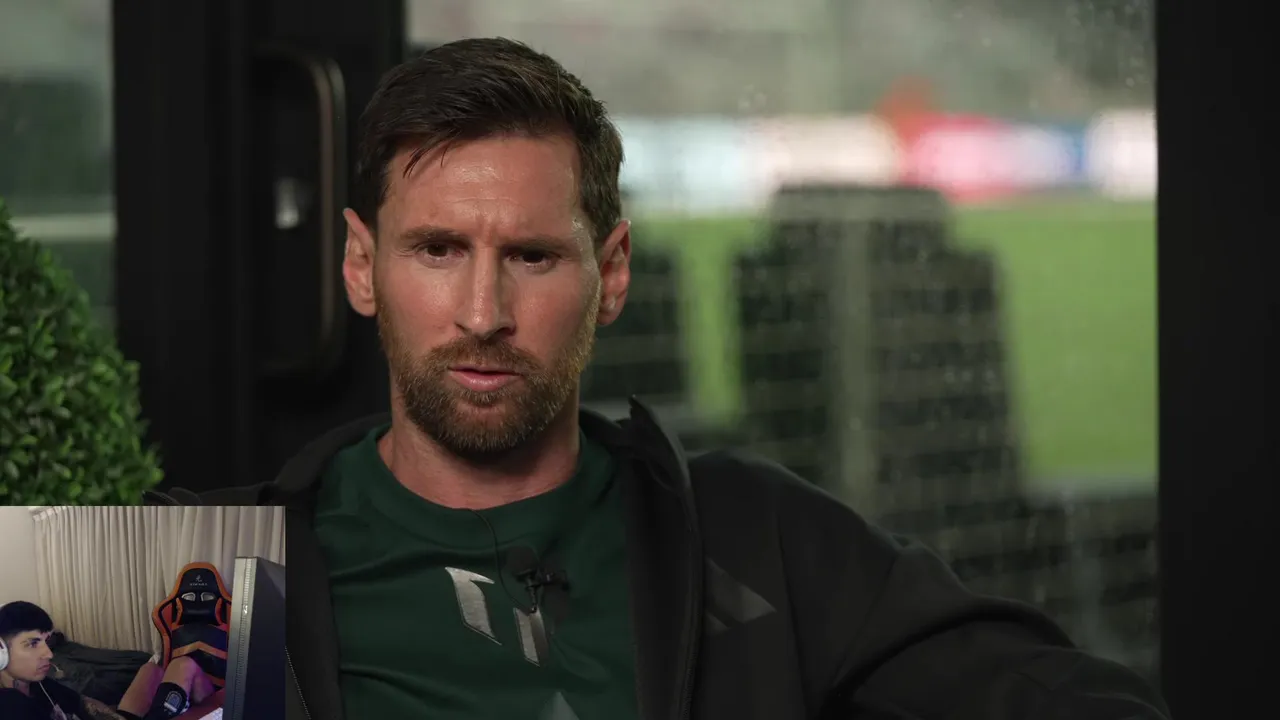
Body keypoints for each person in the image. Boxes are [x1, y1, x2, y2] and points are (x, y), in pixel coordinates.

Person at [145, 37, 1172, 720]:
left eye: (533, 257)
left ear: (614, 273)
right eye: (438, 250)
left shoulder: (759, 540)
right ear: (362, 268)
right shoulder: (202, 567)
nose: (482, 312)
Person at [0, 601, 215, 720]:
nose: (48, 654)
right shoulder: (9, 705)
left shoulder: (38, 684)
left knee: (151, 670)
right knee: (184, 666)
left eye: (46, 641)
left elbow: (83, 703)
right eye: (32, 643)